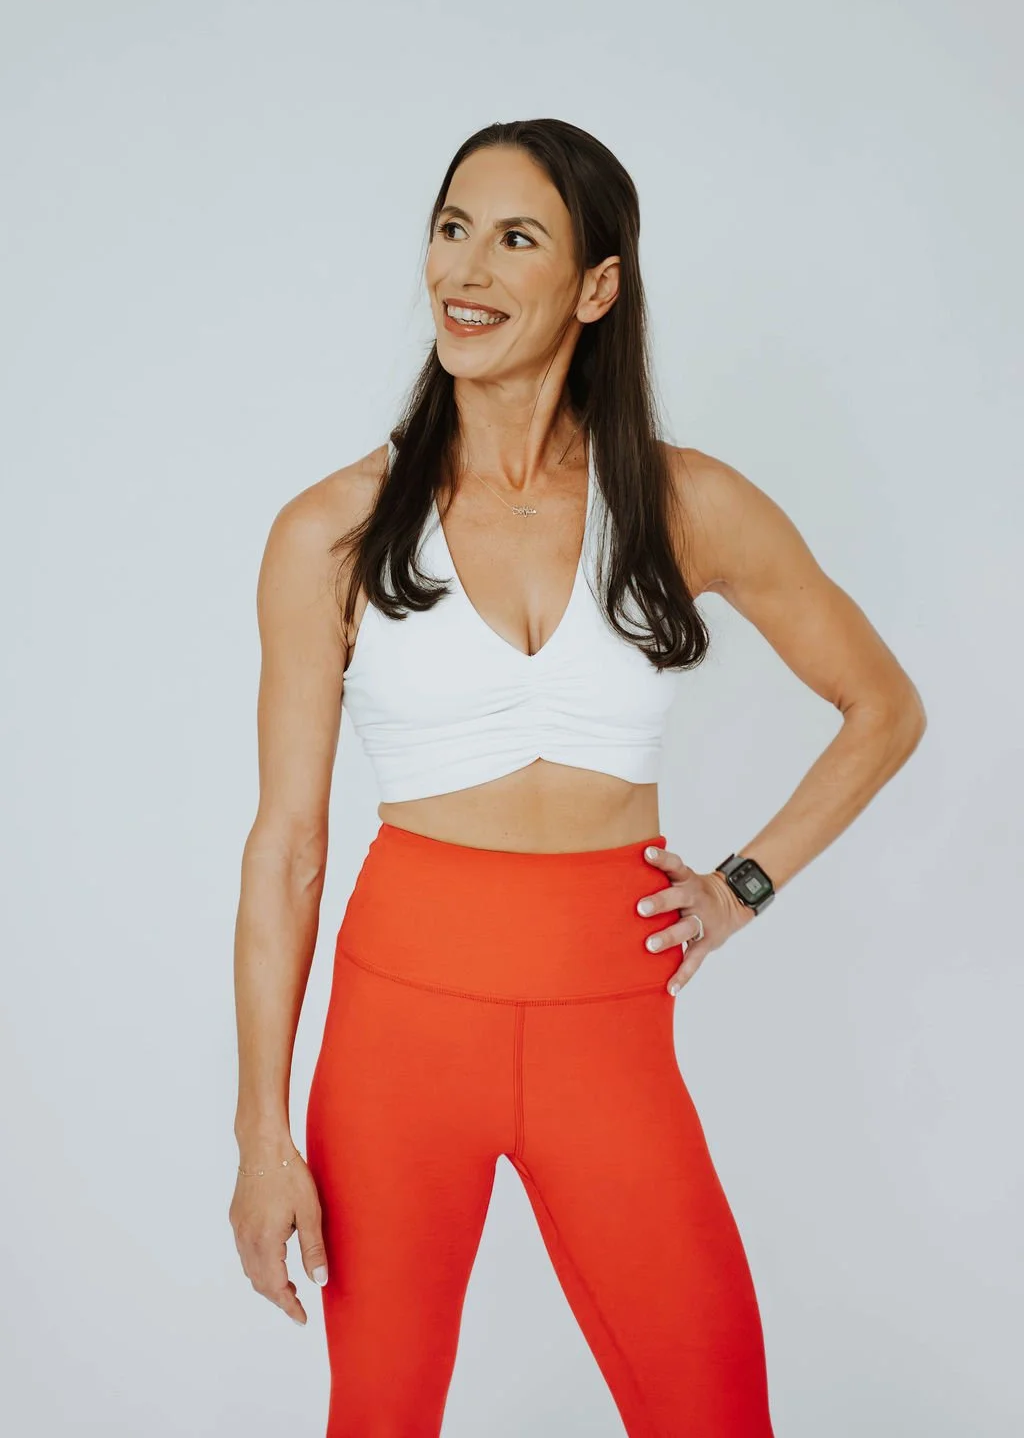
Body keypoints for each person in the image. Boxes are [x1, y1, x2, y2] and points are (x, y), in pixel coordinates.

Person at [228, 118, 926, 1437]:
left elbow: (882, 708)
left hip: (609, 1019)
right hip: (397, 1035)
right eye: (451, 229)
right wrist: (263, 1143)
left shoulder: (682, 503)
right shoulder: (331, 530)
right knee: (380, 1415)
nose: (467, 269)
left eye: (516, 238)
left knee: (716, 1411)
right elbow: (287, 850)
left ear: (597, 287)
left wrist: (741, 885)